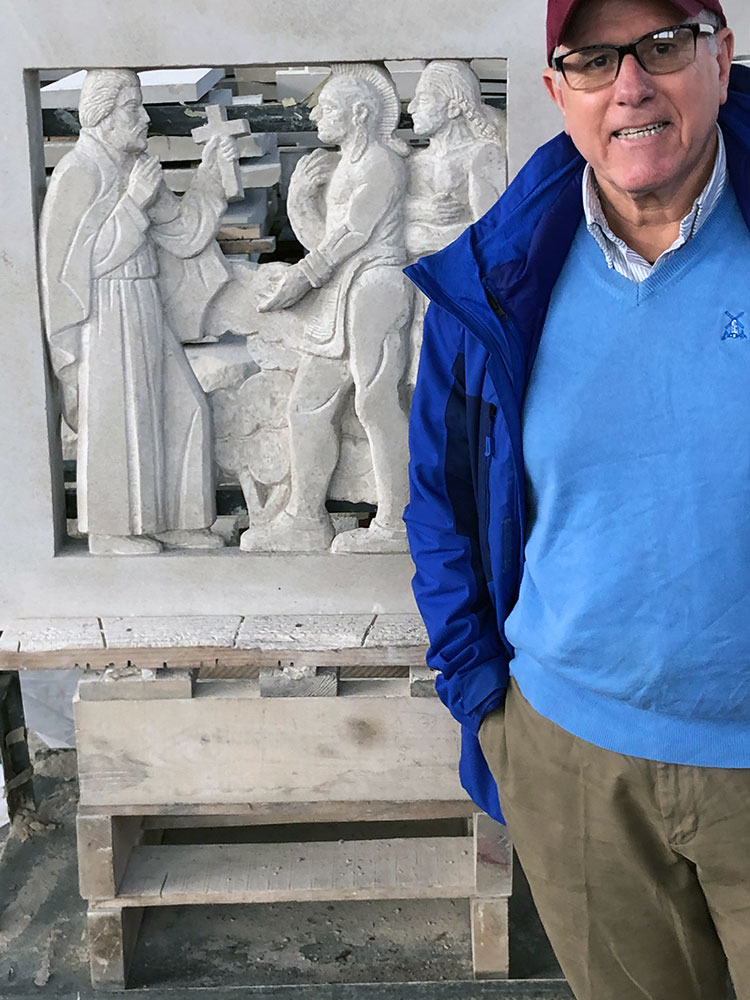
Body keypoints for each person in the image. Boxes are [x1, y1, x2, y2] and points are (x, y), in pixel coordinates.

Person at [404, 1, 750, 997]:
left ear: (721, 59)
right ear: (560, 93)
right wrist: (486, 703)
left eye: (664, 44)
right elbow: (441, 500)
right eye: (595, 59)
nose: (631, 83)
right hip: (573, 764)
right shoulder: (499, 284)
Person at [40, 70, 236, 555]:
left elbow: (184, 234)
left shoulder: (135, 164)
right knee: (120, 417)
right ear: (103, 115)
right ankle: (114, 530)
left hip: (144, 300)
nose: (144, 118)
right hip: (103, 310)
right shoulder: (78, 171)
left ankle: (176, 518)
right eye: (133, 108)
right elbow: (68, 268)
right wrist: (132, 205)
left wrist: (211, 175)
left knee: (181, 405)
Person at [244, 64, 413, 554]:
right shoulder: (346, 165)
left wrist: (301, 277)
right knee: (307, 404)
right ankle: (305, 519)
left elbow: (353, 237)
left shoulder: (381, 163)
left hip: (375, 289)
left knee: (375, 403)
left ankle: (396, 524)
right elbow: (329, 240)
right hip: (341, 291)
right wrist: (300, 199)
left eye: (329, 108)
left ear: (360, 114)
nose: (317, 114)